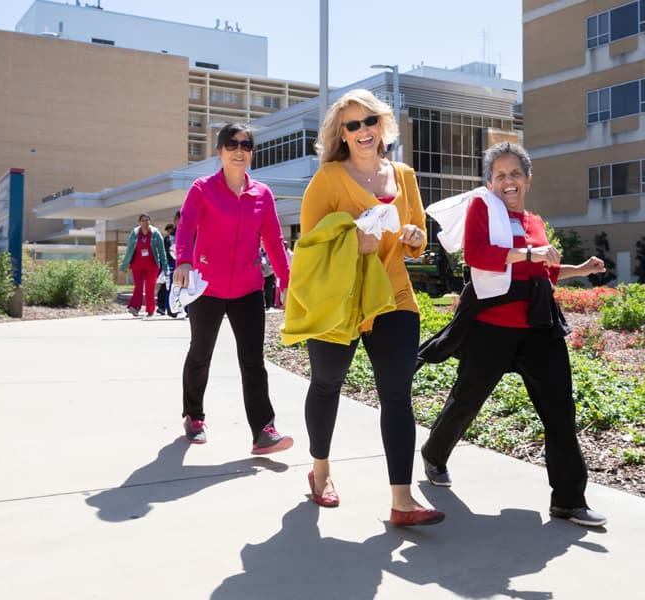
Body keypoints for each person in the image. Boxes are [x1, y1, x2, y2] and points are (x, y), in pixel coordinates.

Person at [418, 141, 608, 527]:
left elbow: (544, 270)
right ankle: (434, 454)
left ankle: (569, 500)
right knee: (466, 400)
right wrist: (528, 254)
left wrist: (580, 268)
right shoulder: (482, 212)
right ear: (489, 183)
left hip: (540, 329)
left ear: (528, 180)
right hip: (492, 327)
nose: (508, 181)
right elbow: (476, 254)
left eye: (515, 174)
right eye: (500, 175)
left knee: (560, 413)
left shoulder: (534, 221)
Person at [295, 89, 444, 527]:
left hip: (393, 296)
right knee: (327, 383)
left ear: (383, 125)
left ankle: (402, 499)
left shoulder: (404, 175)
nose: (363, 131)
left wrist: (416, 240)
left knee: (397, 394)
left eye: (370, 121)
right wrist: (352, 242)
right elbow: (309, 247)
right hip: (341, 300)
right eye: (353, 125)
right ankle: (319, 471)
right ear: (341, 134)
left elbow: (414, 243)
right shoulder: (326, 179)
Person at [172, 122, 293, 452]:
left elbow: (273, 240)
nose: (240, 150)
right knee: (201, 353)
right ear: (220, 151)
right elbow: (186, 227)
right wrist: (183, 259)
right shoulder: (202, 189)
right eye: (232, 144)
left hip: (248, 288)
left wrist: (285, 279)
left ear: (252, 153)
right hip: (207, 288)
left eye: (246, 145)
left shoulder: (262, 194)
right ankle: (193, 415)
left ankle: (263, 431)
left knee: (253, 360)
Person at [120, 213, 167, 317]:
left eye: (147, 220)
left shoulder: (155, 233)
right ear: (139, 222)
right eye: (143, 221)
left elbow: (162, 251)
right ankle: (135, 307)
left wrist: (165, 267)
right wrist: (124, 265)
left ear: (149, 222)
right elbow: (129, 250)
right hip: (137, 265)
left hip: (152, 265)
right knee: (138, 287)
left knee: (150, 287)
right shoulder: (135, 233)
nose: (145, 222)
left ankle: (150, 309)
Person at [156, 223, 175, 316]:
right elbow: (163, 253)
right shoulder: (166, 239)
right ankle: (162, 307)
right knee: (164, 287)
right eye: (168, 231)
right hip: (167, 265)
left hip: (173, 265)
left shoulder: (175, 238)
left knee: (170, 287)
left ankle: (167, 308)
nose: (169, 232)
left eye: (170, 230)